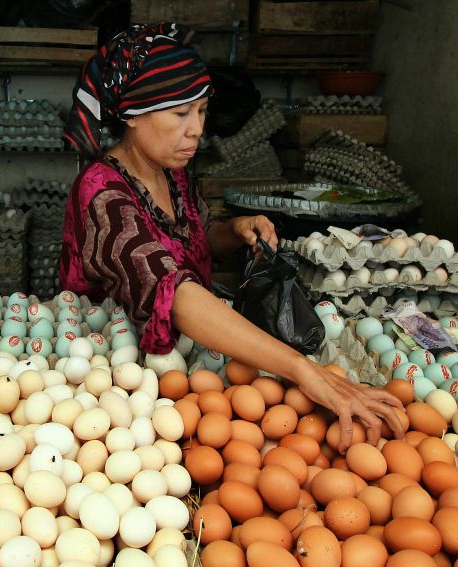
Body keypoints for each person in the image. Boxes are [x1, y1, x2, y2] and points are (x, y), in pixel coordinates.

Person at [61, 24, 403, 446]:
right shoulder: (101, 190)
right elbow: (173, 292)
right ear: (132, 115)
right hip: (115, 377)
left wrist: (234, 231)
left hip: (184, 355)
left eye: (202, 111)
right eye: (180, 113)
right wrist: (301, 369)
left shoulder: (172, 174)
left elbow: (195, 236)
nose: (196, 130)